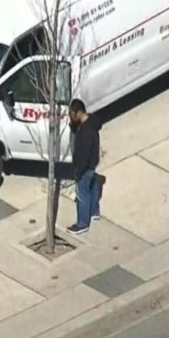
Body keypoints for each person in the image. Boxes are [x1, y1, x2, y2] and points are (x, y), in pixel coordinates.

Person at [66, 98, 101, 236]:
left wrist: (78, 172)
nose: (70, 117)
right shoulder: (92, 123)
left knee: (82, 194)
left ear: (78, 112)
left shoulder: (86, 132)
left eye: (72, 114)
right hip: (92, 164)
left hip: (85, 167)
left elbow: (84, 155)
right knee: (92, 187)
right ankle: (94, 212)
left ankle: (82, 223)